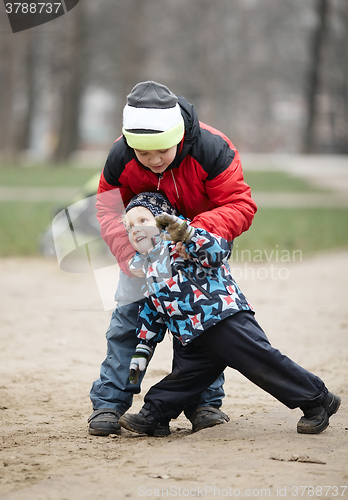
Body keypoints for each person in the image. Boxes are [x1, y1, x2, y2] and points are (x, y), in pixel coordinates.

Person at [88, 81, 257, 436]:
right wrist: (128, 253)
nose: (153, 160)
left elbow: (240, 205)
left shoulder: (212, 149)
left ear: (178, 134)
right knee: (127, 326)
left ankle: (205, 404)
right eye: (143, 154)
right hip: (143, 257)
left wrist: (193, 233)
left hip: (195, 251)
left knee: (203, 329)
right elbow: (107, 208)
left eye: (161, 150)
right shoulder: (120, 155)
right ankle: (109, 403)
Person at [117, 192, 341, 437]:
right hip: (190, 336)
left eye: (142, 221)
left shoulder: (182, 242)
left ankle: (318, 400)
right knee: (185, 378)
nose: (135, 229)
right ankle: (155, 415)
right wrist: (143, 347)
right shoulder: (147, 268)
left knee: (261, 362)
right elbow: (153, 310)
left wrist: (188, 235)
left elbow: (217, 252)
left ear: (163, 221)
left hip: (223, 318)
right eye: (129, 226)